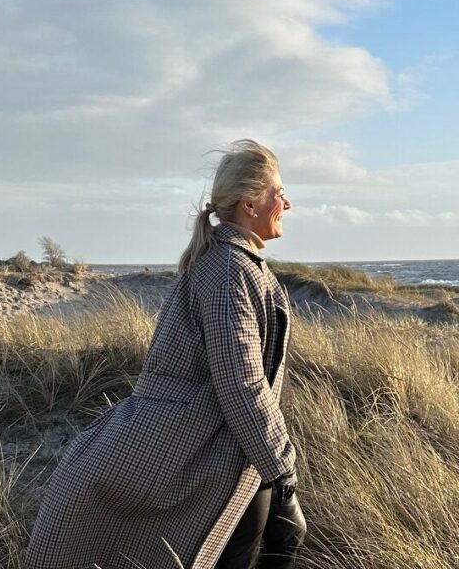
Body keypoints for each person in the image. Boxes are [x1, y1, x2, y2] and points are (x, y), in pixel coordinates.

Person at [25, 139, 305, 569]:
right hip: (207, 454)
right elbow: (242, 383)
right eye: (278, 192)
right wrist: (283, 474)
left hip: (221, 451)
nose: (287, 202)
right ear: (249, 204)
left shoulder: (227, 263)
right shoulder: (230, 270)